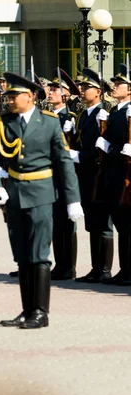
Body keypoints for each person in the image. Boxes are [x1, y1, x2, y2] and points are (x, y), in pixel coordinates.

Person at [0, 72, 82, 329]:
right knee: (22, 255)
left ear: (31, 96)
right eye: (8, 95)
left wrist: (72, 199)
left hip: (42, 193)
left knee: (39, 255)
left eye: (14, 96)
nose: (9, 100)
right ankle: (26, 310)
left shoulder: (48, 122)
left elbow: (63, 163)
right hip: (14, 194)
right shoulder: (4, 122)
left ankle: (40, 312)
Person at [72, 68, 114, 283]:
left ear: (98, 92)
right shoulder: (83, 114)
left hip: (100, 174)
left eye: (86, 87)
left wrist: (79, 155)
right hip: (86, 174)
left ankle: (105, 269)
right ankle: (95, 268)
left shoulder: (104, 113)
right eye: (81, 87)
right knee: (92, 223)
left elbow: (103, 148)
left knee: (103, 222)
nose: (82, 90)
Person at [46, 68, 80, 280]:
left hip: (63, 176)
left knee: (66, 223)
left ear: (65, 94)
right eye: (49, 89)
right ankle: (60, 264)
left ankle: (69, 266)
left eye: (55, 90)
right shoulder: (47, 118)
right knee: (55, 223)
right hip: (48, 176)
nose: (50, 92)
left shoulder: (70, 118)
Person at [99, 64, 131, 286]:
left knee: (128, 223)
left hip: (127, 174)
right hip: (114, 172)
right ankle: (124, 270)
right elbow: (111, 138)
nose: (114, 86)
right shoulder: (116, 111)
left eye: (119, 84)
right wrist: (106, 142)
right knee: (121, 223)